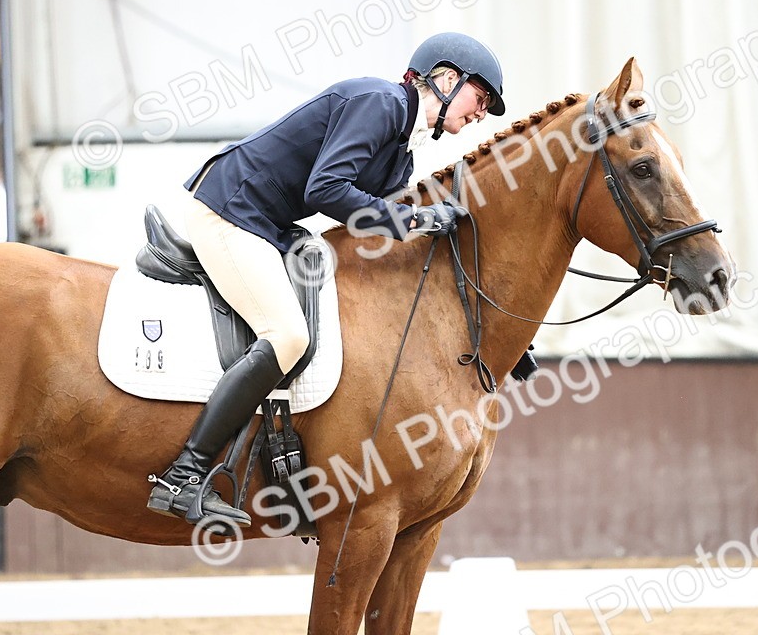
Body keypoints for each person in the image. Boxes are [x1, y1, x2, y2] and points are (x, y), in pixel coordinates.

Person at [147, 32, 506, 526]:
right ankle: (183, 474)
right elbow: (329, 187)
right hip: (230, 209)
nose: (482, 112)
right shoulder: (378, 103)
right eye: (480, 98)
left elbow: (387, 215)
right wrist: (415, 222)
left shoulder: (402, 150)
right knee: (289, 336)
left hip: (270, 224)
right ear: (446, 79)